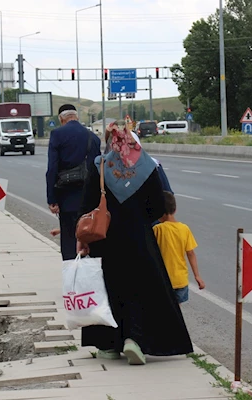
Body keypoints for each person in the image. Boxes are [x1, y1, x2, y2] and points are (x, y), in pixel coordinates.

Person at [77, 121, 193, 365]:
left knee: (109, 287)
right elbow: (159, 206)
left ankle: (108, 345)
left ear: (109, 141)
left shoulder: (100, 167)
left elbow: (87, 204)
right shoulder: (147, 168)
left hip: (105, 240)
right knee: (140, 288)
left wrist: (82, 241)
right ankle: (135, 339)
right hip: (139, 238)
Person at [46, 104, 101, 260]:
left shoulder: (57, 134)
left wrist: (52, 199)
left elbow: (52, 169)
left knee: (70, 241)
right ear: (76, 117)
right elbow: (97, 170)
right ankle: (90, 279)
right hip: (90, 201)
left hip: (66, 199)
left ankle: (73, 277)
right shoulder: (93, 138)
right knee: (89, 238)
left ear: (61, 119)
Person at [153, 191, 205, 304]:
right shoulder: (185, 229)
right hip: (180, 280)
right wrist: (197, 276)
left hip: (163, 280)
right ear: (175, 210)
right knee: (177, 312)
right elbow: (191, 253)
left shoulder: (157, 229)